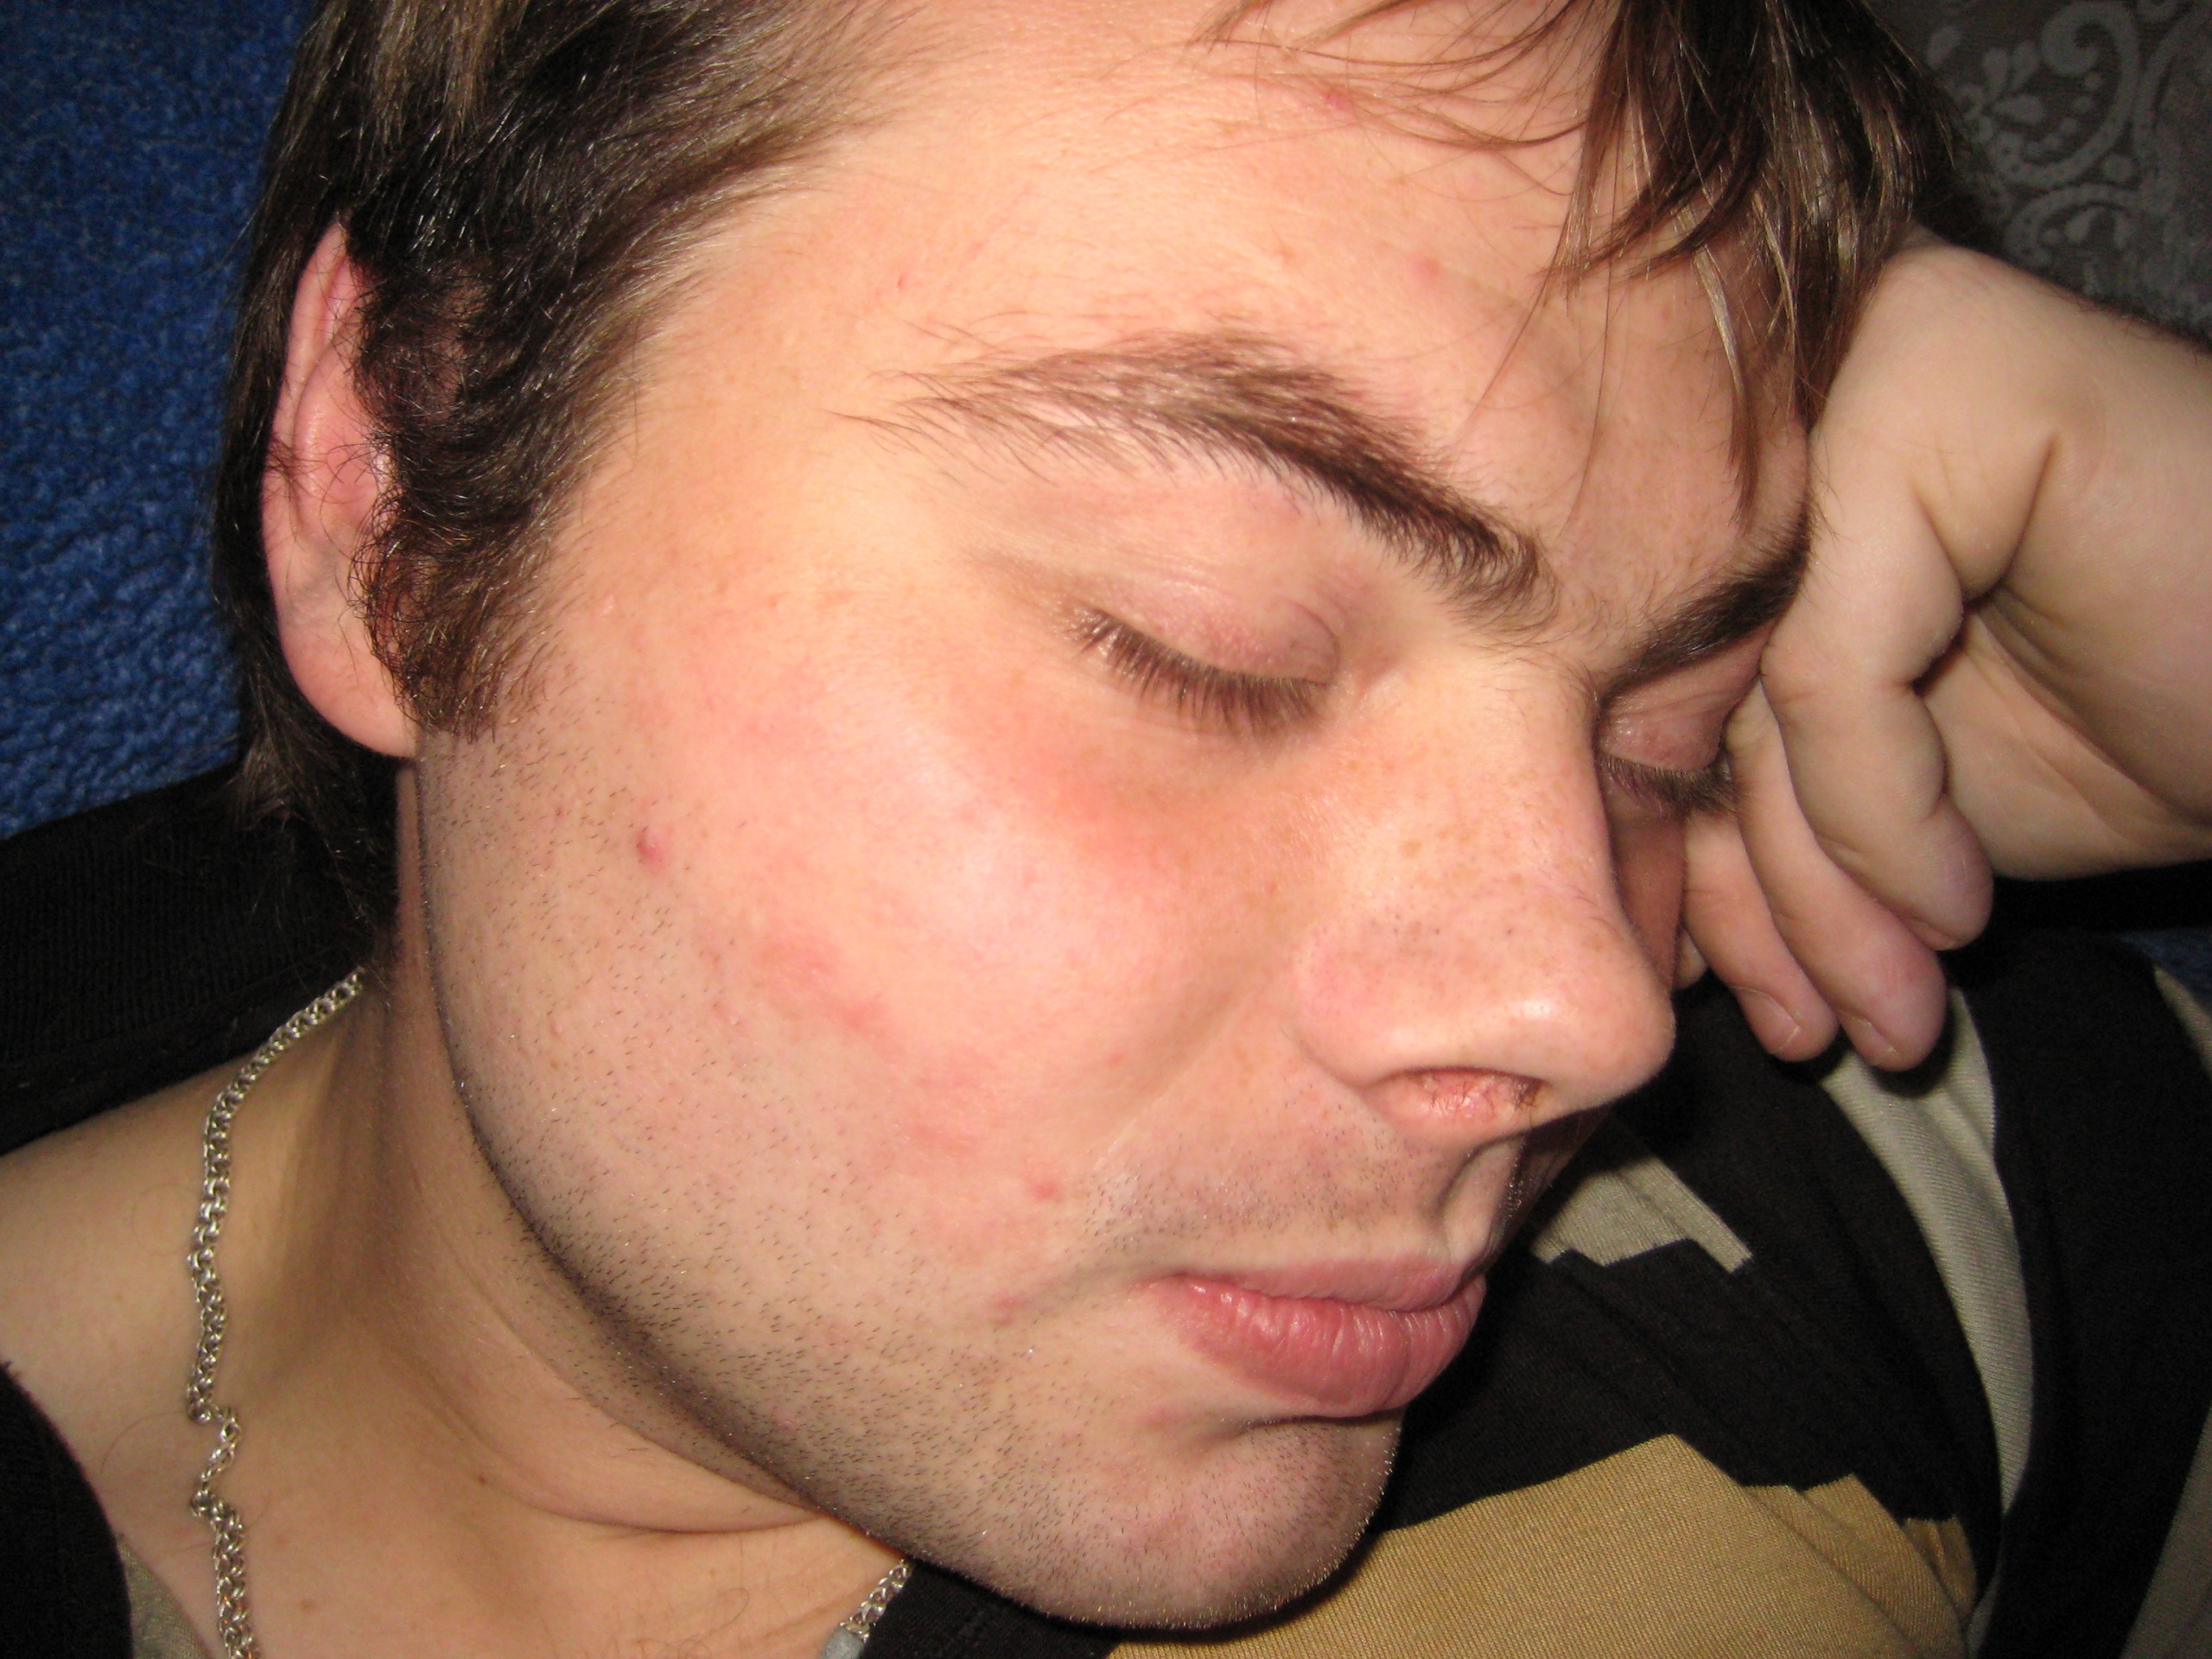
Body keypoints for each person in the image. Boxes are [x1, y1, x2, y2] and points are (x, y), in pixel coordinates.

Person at [0, 2, 2207, 1657]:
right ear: (390, 496)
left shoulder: (1850, 1171)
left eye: (1663, 735)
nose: (1590, 1012)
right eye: (1200, 643)